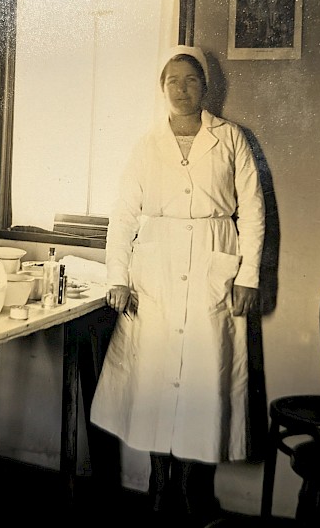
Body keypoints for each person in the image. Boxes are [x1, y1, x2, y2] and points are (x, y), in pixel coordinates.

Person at [90, 45, 265, 526]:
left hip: (213, 264)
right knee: (154, 379)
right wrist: (118, 278)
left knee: (204, 383)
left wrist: (247, 275)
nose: (182, 89)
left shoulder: (231, 139)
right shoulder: (147, 145)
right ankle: (158, 487)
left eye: (191, 80)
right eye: (173, 81)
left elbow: (251, 210)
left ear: (205, 86)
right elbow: (124, 215)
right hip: (157, 272)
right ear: (162, 89)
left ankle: (194, 493)